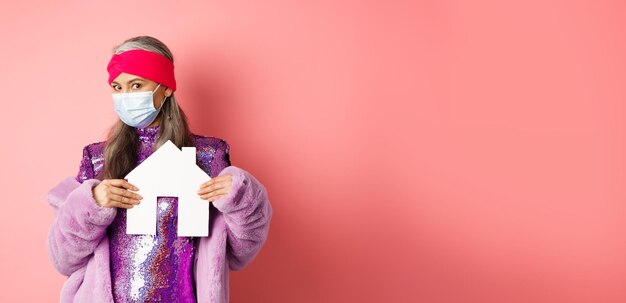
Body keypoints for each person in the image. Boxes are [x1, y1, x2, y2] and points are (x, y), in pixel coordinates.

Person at [45, 35, 273, 303]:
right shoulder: (97, 159)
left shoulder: (208, 155)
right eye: (117, 87)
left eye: (137, 85)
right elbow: (63, 259)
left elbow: (239, 252)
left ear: (165, 88)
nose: (125, 97)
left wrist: (241, 199)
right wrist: (90, 205)